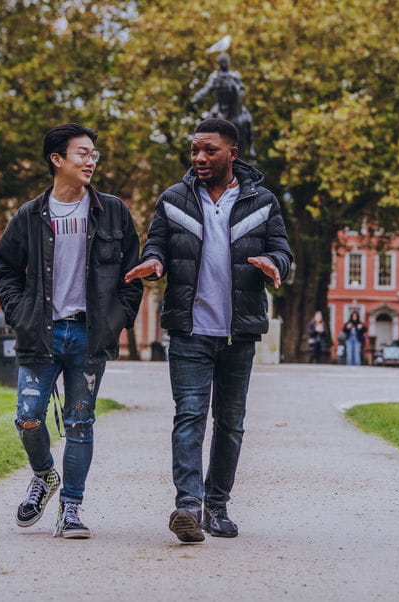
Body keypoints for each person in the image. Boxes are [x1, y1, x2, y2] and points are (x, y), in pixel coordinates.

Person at [125, 118, 292, 543]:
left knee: (231, 423)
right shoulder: (173, 199)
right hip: (189, 330)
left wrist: (276, 265)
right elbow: (157, 244)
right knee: (189, 418)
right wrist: (155, 262)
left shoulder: (263, 201)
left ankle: (217, 506)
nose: (199, 157)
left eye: (209, 150)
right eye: (195, 150)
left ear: (232, 154)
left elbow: (281, 250)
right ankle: (188, 507)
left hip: (238, 333)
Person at [0, 123, 143, 539]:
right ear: (57, 160)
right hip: (40, 332)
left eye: (94, 153)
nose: (91, 160)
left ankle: (71, 509)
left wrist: (118, 320)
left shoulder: (112, 211)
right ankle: (44, 475)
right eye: (82, 153)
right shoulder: (29, 215)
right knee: (28, 417)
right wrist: (19, 313)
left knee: (80, 424)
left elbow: (132, 275)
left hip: (89, 336)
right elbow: (5, 269)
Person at [191, 53, 255, 158]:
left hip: (234, 105)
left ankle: (251, 145)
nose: (224, 64)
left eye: (226, 62)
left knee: (247, 119)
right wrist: (197, 96)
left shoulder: (234, 76)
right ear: (219, 64)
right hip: (220, 107)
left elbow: (242, 89)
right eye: (222, 62)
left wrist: (238, 93)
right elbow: (207, 89)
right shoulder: (214, 77)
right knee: (209, 122)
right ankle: (207, 145)